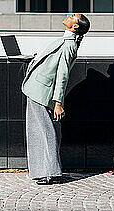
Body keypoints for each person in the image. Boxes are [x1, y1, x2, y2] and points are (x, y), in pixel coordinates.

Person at [21, 13, 91, 185]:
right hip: (37, 88)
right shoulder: (65, 41)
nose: (69, 15)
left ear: (75, 26)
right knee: (38, 131)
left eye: (73, 16)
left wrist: (58, 103)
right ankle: (45, 171)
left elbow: (63, 76)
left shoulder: (69, 45)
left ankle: (51, 172)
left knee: (44, 131)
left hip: (41, 90)